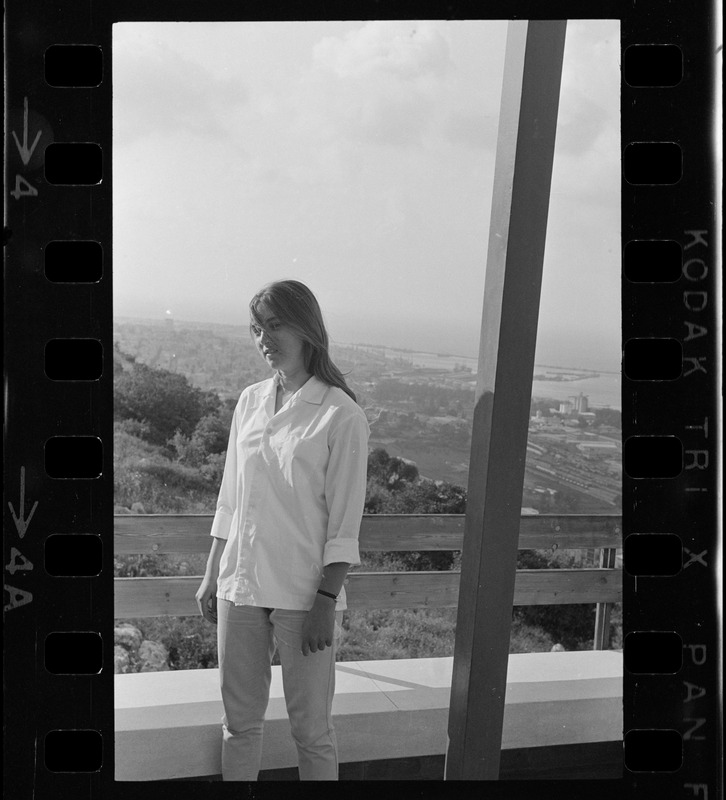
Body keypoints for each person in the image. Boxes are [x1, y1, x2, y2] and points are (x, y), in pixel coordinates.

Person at [195, 280, 370, 781]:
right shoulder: (249, 401)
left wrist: (325, 602)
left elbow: (344, 524)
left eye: (274, 325)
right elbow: (231, 497)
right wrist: (213, 574)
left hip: (302, 593)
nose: (263, 338)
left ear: (306, 328)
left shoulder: (341, 415)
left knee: (312, 732)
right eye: (256, 328)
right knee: (239, 725)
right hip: (242, 585)